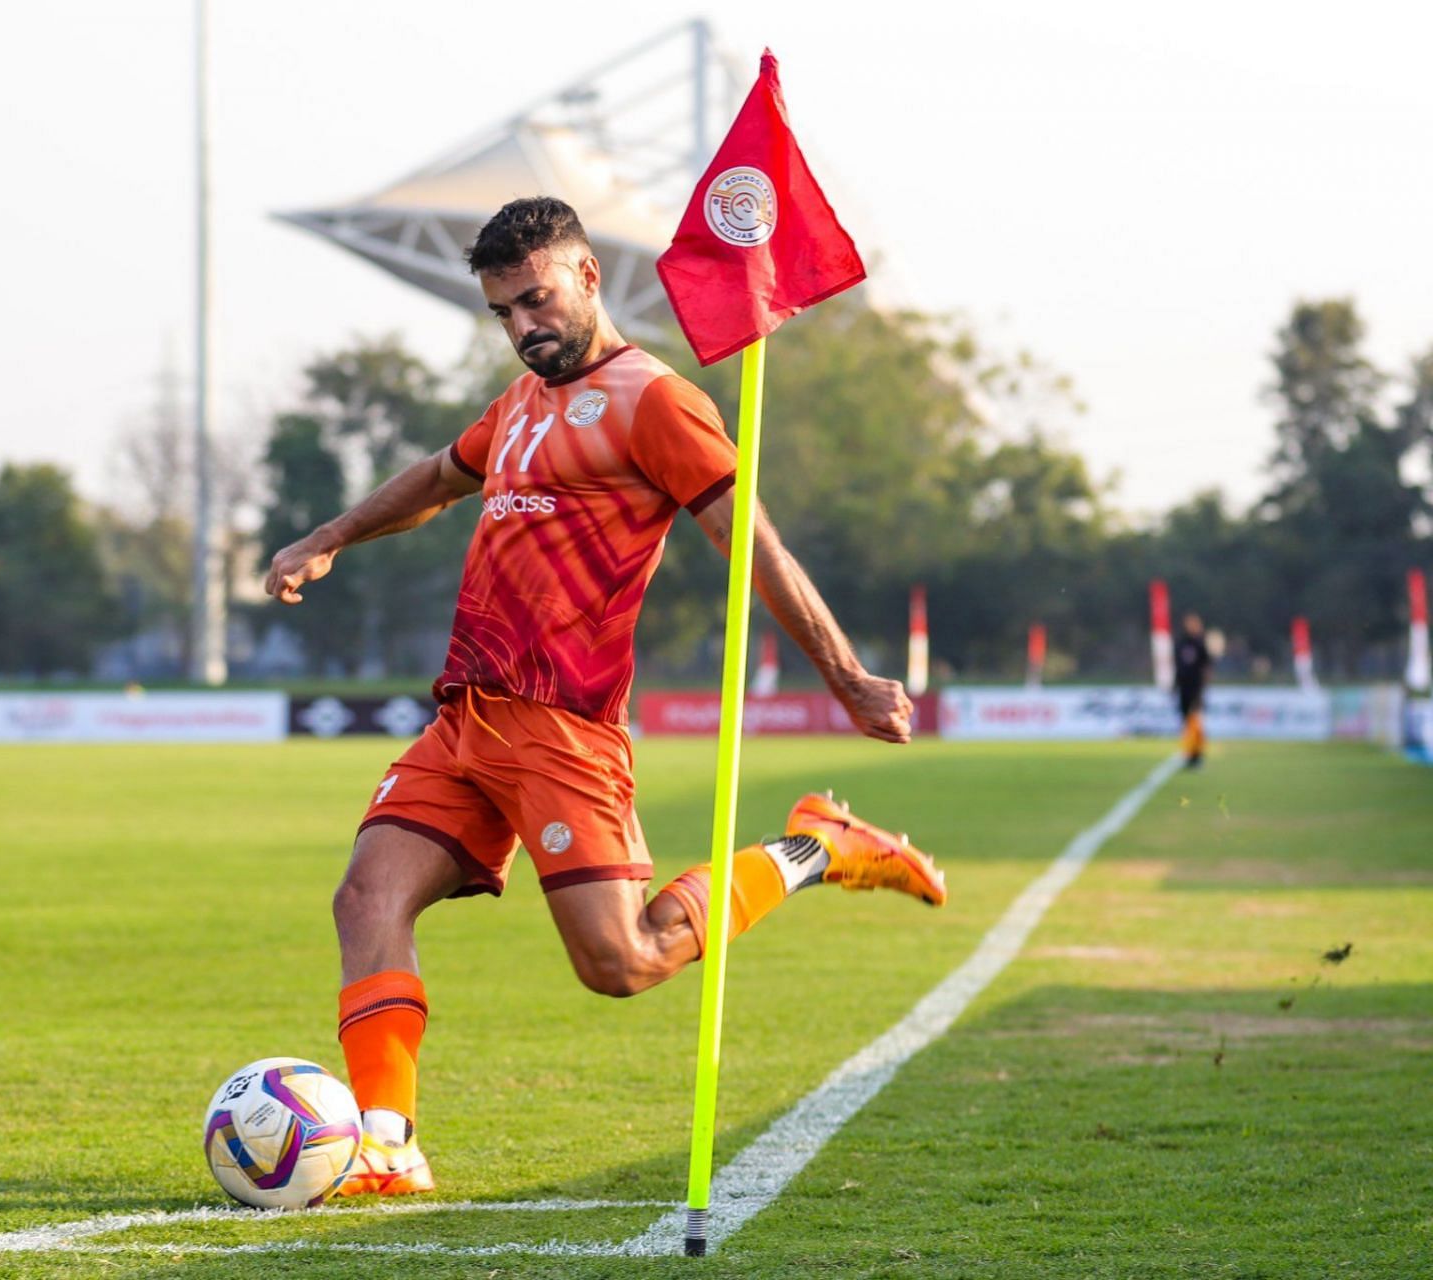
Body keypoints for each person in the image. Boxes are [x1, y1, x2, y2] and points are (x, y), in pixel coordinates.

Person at [263, 197, 947, 1197]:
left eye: (535, 299)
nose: (523, 325)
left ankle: (819, 845)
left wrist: (844, 674)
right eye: (504, 311)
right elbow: (437, 479)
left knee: (621, 961)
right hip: (467, 717)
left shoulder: (655, 402)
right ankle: (386, 1140)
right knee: (366, 894)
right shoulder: (520, 401)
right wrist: (328, 534)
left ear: (589, 277)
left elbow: (754, 545)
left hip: (563, 733)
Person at [1174, 612, 1213, 768]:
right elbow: (1177, 665)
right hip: (1183, 687)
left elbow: (1207, 667)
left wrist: (1203, 687)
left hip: (1196, 688)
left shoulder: (1200, 643)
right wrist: (1174, 684)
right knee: (1185, 722)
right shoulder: (1181, 643)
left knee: (1195, 721)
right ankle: (1189, 753)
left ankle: (1198, 754)